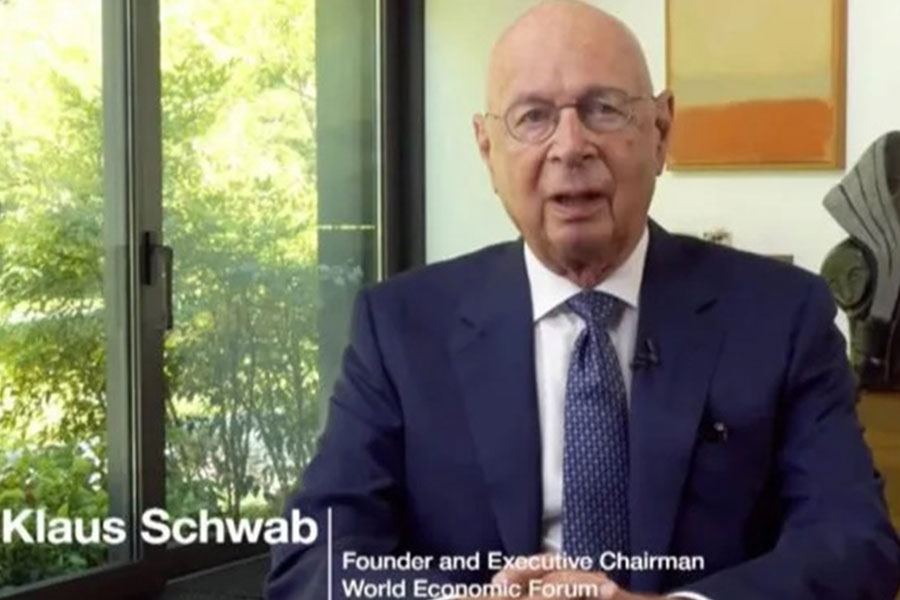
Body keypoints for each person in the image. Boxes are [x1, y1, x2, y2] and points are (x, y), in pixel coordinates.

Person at [267, 1, 900, 598]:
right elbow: (314, 554)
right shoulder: (401, 326)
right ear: (487, 149)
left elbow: (854, 542)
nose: (570, 147)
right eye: (533, 117)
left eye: (603, 109)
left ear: (661, 131)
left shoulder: (781, 315)